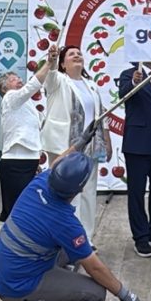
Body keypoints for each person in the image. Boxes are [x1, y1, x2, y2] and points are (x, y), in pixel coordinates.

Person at [0, 151, 148, 301]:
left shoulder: (40, 182)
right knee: (95, 294)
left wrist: (79, 142)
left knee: (75, 251)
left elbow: (57, 163)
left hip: (5, 274)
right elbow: (94, 268)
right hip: (17, 288)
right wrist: (125, 294)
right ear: (80, 190)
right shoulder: (64, 222)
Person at [41, 45, 111, 238]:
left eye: (79, 53)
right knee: (67, 194)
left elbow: (100, 114)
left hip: (91, 145)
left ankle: (85, 238)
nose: (77, 55)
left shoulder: (91, 85)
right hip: (64, 146)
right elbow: (50, 76)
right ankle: (68, 238)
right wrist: (52, 61)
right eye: (71, 54)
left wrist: (106, 139)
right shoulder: (58, 80)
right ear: (63, 64)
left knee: (88, 192)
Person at [0, 46, 57, 222]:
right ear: (4, 88)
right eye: (13, 79)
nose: (18, 80)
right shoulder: (10, 98)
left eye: (18, 78)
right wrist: (49, 63)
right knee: (17, 210)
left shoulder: (27, 104)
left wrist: (35, 157)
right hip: (14, 162)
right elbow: (32, 86)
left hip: (28, 160)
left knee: (29, 209)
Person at [117, 61, 151, 258]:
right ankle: (140, 237)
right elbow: (123, 94)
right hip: (137, 144)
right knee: (137, 193)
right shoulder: (129, 74)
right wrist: (134, 82)